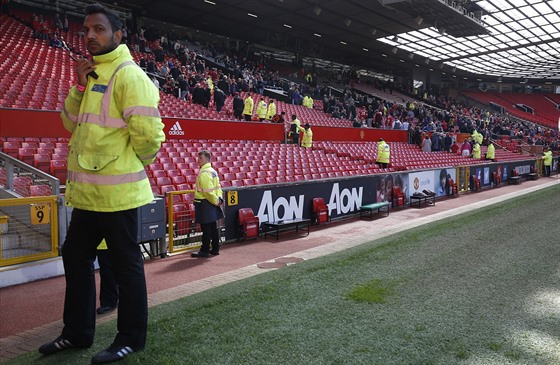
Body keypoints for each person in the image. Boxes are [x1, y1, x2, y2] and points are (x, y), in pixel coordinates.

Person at [38, 4, 165, 364]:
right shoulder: (91, 74)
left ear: (118, 35)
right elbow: (68, 123)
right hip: (89, 196)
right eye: (86, 31)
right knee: (75, 255)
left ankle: (131, 339)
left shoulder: (129, 76)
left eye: (99, 29)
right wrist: (79, 85)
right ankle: (77, 333)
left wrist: (133, 162)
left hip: (118, 196)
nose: (90, 36)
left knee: (126, 267)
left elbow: (151, 137)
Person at [191, 150, 224, 257]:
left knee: (206, 228)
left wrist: (215, 200)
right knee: (213, 227)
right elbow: (218, 187)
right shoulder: (213, 171)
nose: (198, 160)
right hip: (212, 203)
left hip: (205, 203)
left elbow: (207, 191)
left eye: (200, 158)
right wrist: (219, 199)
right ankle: (215, 249)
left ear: (207, 159)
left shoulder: (204, 173)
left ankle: (204, 250)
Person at [96, 240, 118, 315]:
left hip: (106, 242)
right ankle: (110, 300)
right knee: (107, 270)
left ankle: (109, 301)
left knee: (107, 270)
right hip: (104, 242)